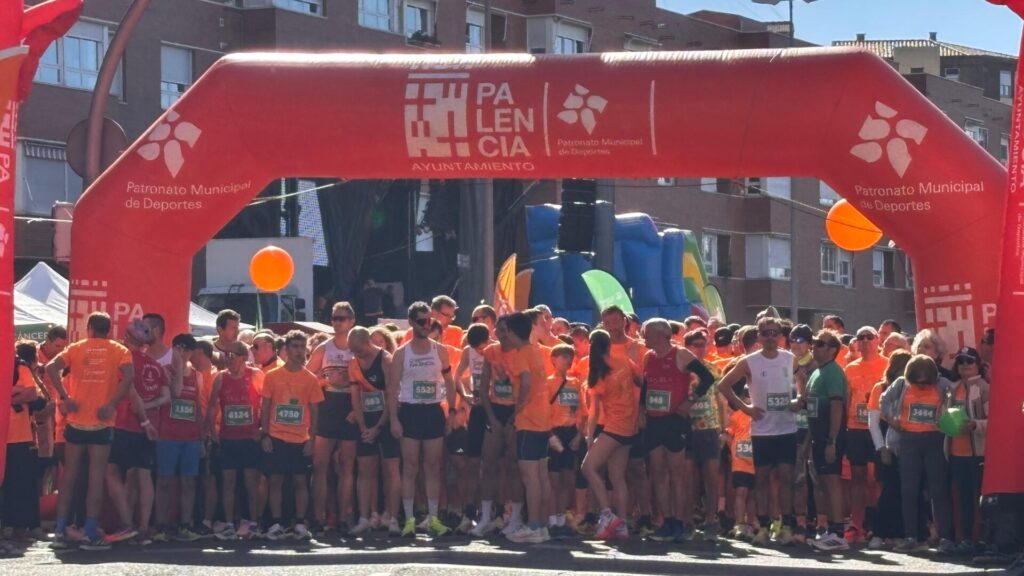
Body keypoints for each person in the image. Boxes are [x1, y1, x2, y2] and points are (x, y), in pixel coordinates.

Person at [46, 312, 134, 551]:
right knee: (96, 478)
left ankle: (61, 530)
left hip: (75, 422)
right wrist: (112, 404)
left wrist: (66, 398)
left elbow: (51, 367)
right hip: (102, 423)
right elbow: (128, 377)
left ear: (90, 328)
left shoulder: (76, 348)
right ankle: (89, 532)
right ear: (109, 329)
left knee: (70, 476)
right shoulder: (119, 350)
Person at [717, 316, 800, 546]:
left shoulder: (789, 358)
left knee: (785, 478)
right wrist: (746, 408)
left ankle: (786, 525)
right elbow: (723, 385)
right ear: (760, 336)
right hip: (762, 430)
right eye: (766, 333)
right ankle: (763, 526)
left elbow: (802, 384)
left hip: (786, 428)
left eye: (775, 333)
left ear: (780, 335)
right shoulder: (749, 361)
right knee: (761, 479)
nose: (771, 338)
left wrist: (798, 401)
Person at [642, 320, 715, 543]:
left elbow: (707, 378)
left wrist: (690, 400)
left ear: (662, 334)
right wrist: (641, 412)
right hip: (654, 420)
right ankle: (667, 521)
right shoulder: (648, 357)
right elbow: (646, 386)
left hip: (675, 420)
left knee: (677, 474)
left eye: (648, 334)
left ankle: (682, 523)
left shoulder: (680, 354)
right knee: (658, 472)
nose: (644, 338)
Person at [389, 302, 456, 538]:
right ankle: (408, 519)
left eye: (429, 321)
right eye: (421, 321)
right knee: (409, 467)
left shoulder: (440, 350)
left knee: (433, 466)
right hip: (410, 411)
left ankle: (433, 518)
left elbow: (449, 381)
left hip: (433, 411)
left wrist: (452, 411)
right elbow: (392, 388)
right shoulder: (401, 353)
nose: (427, 325)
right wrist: (394, 420)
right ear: (411, 323)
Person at [880, 355, 954, 554]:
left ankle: (945, 536)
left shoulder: (944, 385)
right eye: (917, 382)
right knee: (908, 490)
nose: (921, 386)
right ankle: (911, 535)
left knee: (938, 490)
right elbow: (883, 399)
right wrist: (892, 419)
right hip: (909, 440)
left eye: (925, 382)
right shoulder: (901, 384)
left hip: (935, 440)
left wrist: (946, 418)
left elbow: (956, 402)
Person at [105, 320, 167, 545]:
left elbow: (131, 395)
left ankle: (127, 524)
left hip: (126, 424)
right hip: (148, 426)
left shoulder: (125, 360)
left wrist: (143, 417)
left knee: (111, 471)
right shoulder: (154, 364)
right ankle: (142, 527)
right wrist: (150, 409)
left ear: (127, 338)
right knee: (142, 475)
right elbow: (167, 395)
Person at [261, 330, 324, 541]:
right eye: (294, 347)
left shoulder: (311, 379)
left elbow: (316, 413)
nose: (298, 351)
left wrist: (312, 440)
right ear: (286, 350)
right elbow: (266, 407)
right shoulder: (272, 376)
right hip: (277, 437)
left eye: (301, 347)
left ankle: (299, 523)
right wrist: (266, 435)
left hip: (300, 439)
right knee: (275, 481)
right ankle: (276, 523)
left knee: (300, 482)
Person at [581, 330, 643, 540]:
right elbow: (640, 380)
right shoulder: (623, 359)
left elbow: (594, 412)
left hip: (614, 426)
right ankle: (622, 524)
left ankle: (607, 514)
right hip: (630, 426)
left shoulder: (598, 372)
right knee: (617, 476)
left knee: (588, 468)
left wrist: (590, 437)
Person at [306, 302, 359, 534]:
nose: (337, 322)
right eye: (335, 318)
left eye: (342, 318)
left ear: (352, 322)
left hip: (350, 406)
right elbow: (307, 379)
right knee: (320, 465)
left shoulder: (357, 348)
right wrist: (328, 381)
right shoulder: (324, 348)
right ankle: (319, 516)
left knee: (346, 466)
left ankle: (345, 514)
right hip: (328, 406)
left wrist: (357, 407)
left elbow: (371, 380)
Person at [207, 340, 266, 541]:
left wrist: (263, 429)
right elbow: (212, 404)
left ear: (243, 357)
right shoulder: (220, 378)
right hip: (228, 437)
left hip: (249, 438)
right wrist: (212, 431)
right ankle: (229, 523)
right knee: (228, 482)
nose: (228, 359)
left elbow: (267, 402)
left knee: (251, 482)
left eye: (232, 356)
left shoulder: (256, 375)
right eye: (226, 356)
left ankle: (253, 522)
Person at [503, 312, 554, 543]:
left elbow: (525, 382)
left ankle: (534, 525)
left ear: (512, 333)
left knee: (530, 476)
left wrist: (517, 409)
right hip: (542, 419)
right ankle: (541, 525)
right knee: (541, 476)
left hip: (529, 420)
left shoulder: (522, 353)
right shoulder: (535, 350)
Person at [471, 317, 524, 538]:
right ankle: (485, 517)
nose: (501, 335)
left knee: (514, 467)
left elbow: (525, 390)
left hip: (516, 413)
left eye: (505, 331)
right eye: (498, 330)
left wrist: (513, 419)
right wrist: (492, 418)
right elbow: (483, 387)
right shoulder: (491, 352)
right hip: (494, 411)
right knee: (489, 464)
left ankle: (515, 518)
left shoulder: (522, 352)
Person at [348, 327, 401, 536]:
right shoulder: (353, 363)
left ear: (368, 342)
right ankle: (364, 517)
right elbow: (355, 398)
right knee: (364, 470)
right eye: (353, 351)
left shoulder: (386, 360)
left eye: (359, 350)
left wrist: (379, 426)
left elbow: (391, 395)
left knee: (391, 470)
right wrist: (363, 428)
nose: (356, 355)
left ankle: (393, 517)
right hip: (366, 421)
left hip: (386, 419)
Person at [153, 334, 205, 543]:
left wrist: (202, 438)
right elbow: (170, 395)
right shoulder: (165, 371)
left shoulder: (197, 375)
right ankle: (160, 526)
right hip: (167, 436)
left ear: (192, 352)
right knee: (164, 481)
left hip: (190, 438)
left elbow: (199, 409)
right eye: (178, 348)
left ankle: (185, 524)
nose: (182, 353)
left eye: (186, 349)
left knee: (188, 482)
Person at [802, 330, 849, 552]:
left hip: (830, 438)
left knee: (831, 482)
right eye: (815, 343)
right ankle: (830, 529)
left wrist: (832, 441)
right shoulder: (816, 372)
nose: (814, 346)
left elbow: (837, 406)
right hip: (817, 437)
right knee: (822, 483)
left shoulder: (832, 372)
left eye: (820, 344)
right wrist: (807, 444)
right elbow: (811, 410)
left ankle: (838, 532)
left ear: (832, 350)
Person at [842, 326, 888, 544]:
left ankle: (878, 524)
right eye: (861, 337)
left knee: (877, 478)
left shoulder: (887, 364)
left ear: (878, 340)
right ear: (857, 343)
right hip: (856, 428)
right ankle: (856, 524)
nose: (865, 340)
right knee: (857, 478)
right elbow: (845, 400)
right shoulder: (849, 368)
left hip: (879, 428)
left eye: (870, 337)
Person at [682, 329, 725, 541]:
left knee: (711, 477)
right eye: (696, 344)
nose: (701, 348)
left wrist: (724, 430)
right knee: (689, 478)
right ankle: (689, 519)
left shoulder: (714, 369)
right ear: (687, 346)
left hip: (709, 426)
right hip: (687, 428)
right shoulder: (682, 370)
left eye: (704, 344)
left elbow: (721, 402)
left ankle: (710, 519)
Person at [946, 347, 989, 554]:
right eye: (961, 361)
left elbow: (995, 421)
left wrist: (975, 425)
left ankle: (981, 539)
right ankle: (964, 540)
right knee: (961, 498)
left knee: (980, 498)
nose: (965, 364)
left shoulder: (984, 387)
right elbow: (943, 417)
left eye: (969, 360)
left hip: (978, 453)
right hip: (956, 452)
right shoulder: (952, 388)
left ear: (978, 364)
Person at [867, 351, 912, 550]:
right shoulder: (881, 387)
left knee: (905, 490)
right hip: (887, 444)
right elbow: (873, 423)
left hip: (908, 445)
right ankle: (878, 532)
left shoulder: (912, 387)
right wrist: (881, 448)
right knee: (889, 489)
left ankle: (899, 533)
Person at [4, 341, 47, 542]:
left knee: (22, 482)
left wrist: (8, 397)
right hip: (9, 436)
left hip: (20, 435)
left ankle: (22, 525)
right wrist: (15, 394)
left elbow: (32, 393)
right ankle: (8, 525)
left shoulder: (18, 365)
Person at [452, 323, 492, 534]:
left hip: (494, 409)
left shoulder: (495, 350)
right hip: (477, 409)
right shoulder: (468, 351)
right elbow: (456, 376)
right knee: (471, 461)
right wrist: (465, 395)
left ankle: (493, 513)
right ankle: (469, 513)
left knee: (493, 462)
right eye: (476, 347)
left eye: (482, 347)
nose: (479, 350)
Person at [546, 343, 586, 539]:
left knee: (567, 479)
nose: (567, 360)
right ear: (553, 359)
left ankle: (561, 519)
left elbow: (583, 413)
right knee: (553, 480)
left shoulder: (576, 383)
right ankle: (552, 520)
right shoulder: (547, 383)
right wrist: (550, 435)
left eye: (569, 357)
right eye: (562, 356)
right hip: (554, 433)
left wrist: (579, 436)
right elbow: (543, 412)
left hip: (571, 434)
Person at [725, 382, 757, 541]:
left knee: (752, 494)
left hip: (756, 463)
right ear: (743, 398)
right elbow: (728, 435)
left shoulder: (761, 415)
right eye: (749, 397)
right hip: (740, 463)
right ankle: (739, 523)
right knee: (740, 492)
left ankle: (751, 524)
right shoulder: (737, 415)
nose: (752, 400)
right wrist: (731, 449)